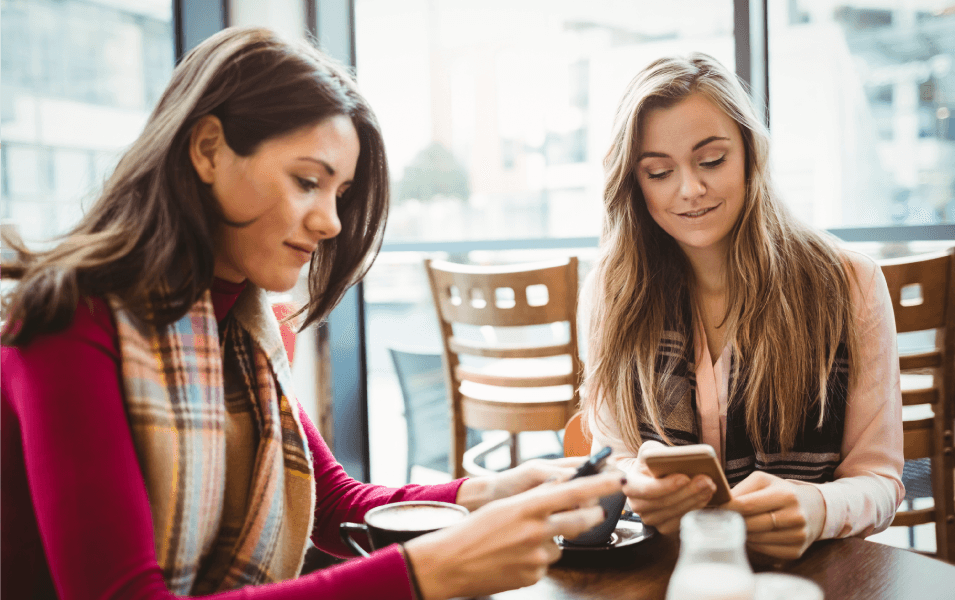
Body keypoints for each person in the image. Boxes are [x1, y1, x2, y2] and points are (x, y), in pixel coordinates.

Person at [0, 27, 623, 600]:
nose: (330, 221)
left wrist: (491, 492)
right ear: (209, 150)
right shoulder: (69, 322)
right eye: (307, 181)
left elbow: (335, 504)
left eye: (341, 194)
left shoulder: (239, 327)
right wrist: (430, 570)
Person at [579, 53, 903, 560]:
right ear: (635, 184)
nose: (690, 189)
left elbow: (879, 480)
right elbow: (615, 454)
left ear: (752, 153)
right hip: (669, 570)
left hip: (807, 576)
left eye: (711, 160)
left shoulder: (849, 283)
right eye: (660, 172)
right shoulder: (612, 292)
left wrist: (818, 507)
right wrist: (638, 486)